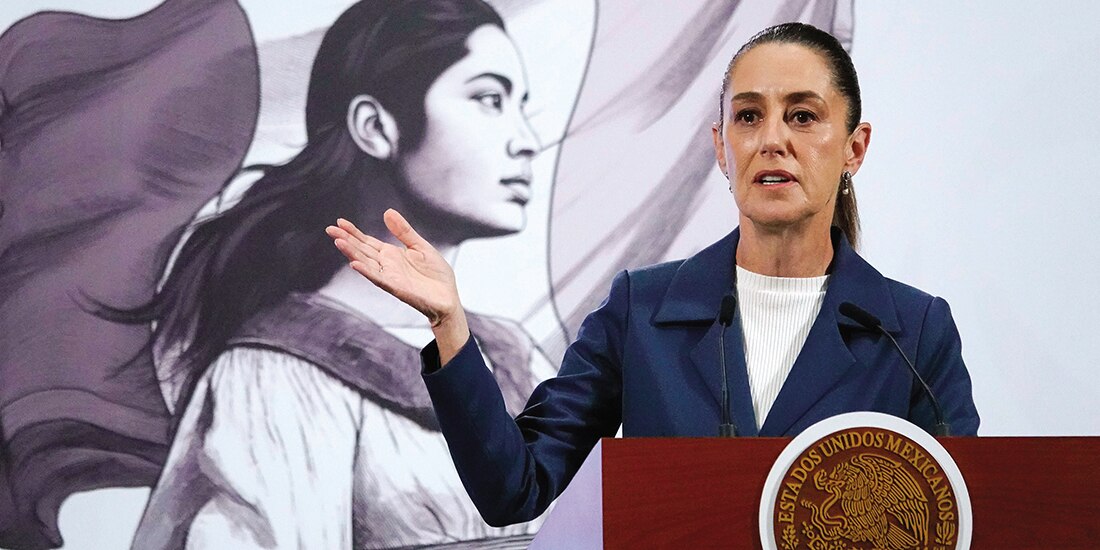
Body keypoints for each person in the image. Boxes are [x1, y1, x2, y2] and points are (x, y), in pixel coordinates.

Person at [327, 21, 980, 528]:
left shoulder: (913, 332)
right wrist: (450, 325)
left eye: (803, 116)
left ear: (854, 149)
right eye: (748, 116)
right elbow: (515, 488)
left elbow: (955, 518)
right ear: (722, 147)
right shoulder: (642, 310)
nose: (772, 139)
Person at [126, 0, 554, 547]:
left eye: (522, 106)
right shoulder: (276, 377)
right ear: (376, 127)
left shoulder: (517, 357)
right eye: (489, 100)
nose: (526, 141)